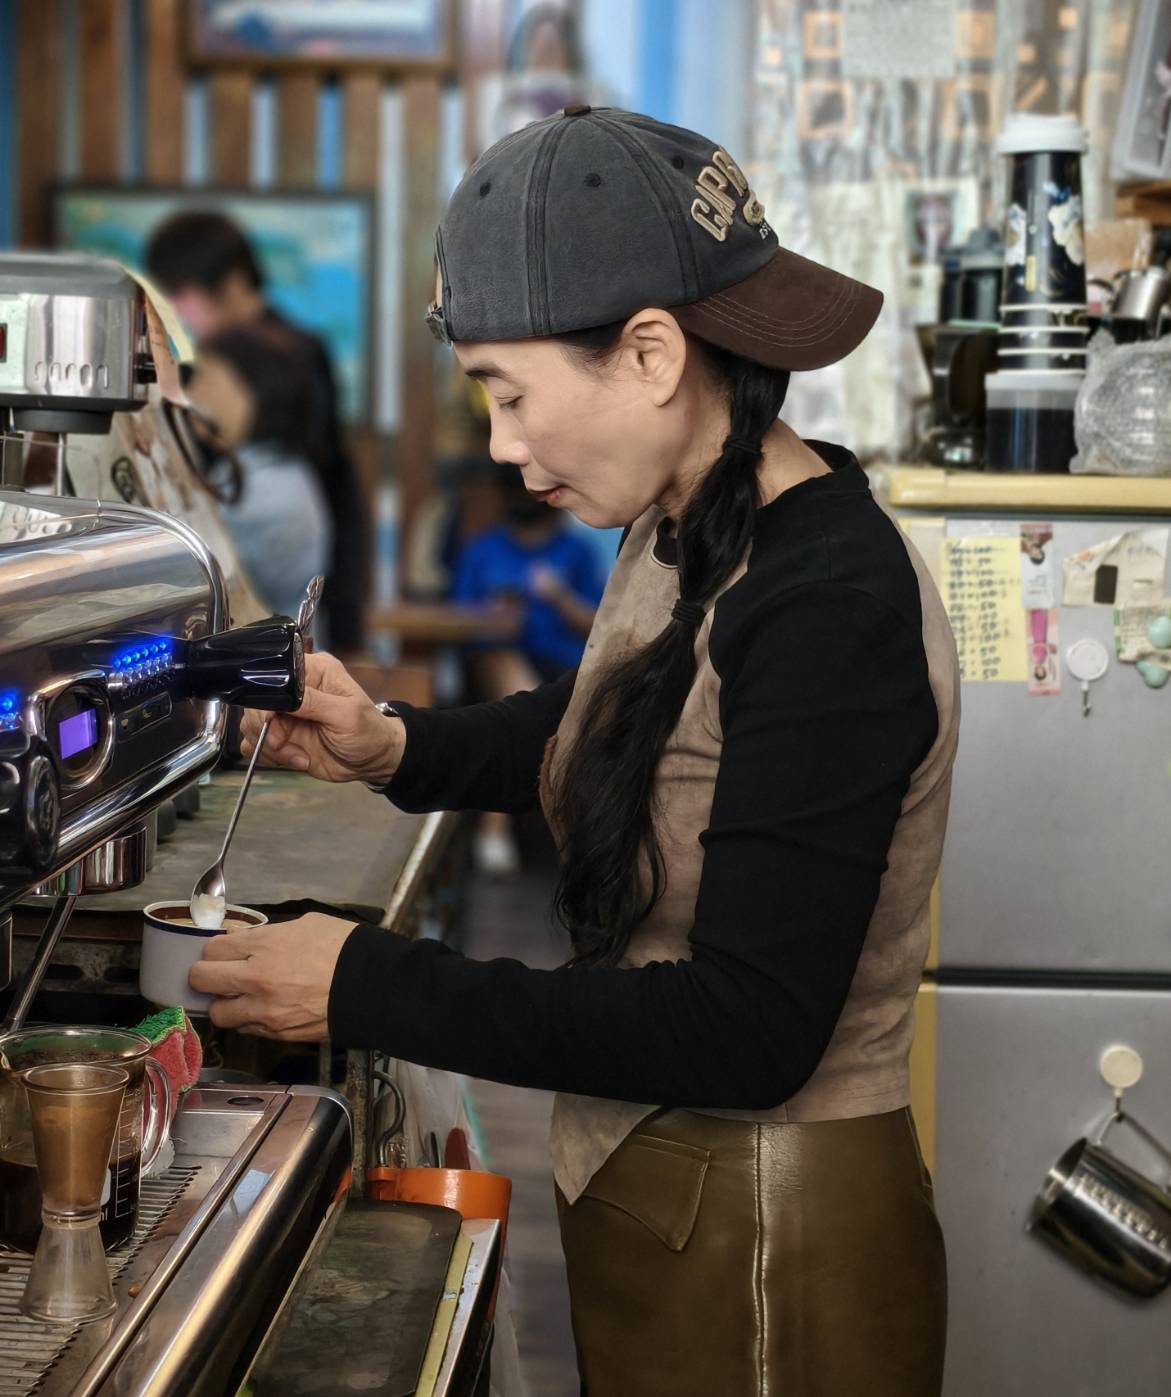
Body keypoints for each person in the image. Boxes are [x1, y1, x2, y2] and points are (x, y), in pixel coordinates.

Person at [191, 108, 960, 1396]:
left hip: (774, 1246)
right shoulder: (688, 524)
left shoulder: (832, 602)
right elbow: (612, 719)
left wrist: (372, 982)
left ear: (650, 354)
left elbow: (747, 1027)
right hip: (673, 1205)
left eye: (509, 392)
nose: (500, 442)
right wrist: (392, 743)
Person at [145, 211, 368, 654]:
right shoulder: (228, 350)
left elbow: (329, 474)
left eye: (180, 294)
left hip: (285, 579)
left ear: (229, 282)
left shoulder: (290, 353)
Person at [452, 462, 605, 874]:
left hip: (562, 663)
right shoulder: (482, 550)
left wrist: (559, 598)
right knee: (511, 678)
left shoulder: (577, 552)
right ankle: (497, 832)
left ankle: (522, 829)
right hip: (496, 658)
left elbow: (601, 623)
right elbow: (455, 617)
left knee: (549, 693)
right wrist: (492, 612)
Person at [184, 321, 333, 623]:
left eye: (205, 378)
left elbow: (187, 580)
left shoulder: (264, 490)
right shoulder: (264, 470)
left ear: (255, 390)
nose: (189, 393)